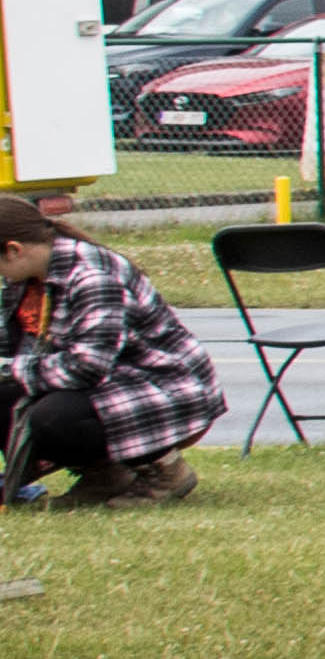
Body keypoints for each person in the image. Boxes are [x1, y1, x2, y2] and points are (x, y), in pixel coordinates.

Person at [0, 195, 227, 509]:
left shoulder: (92, 276)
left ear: (14, 250)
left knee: (52, 418)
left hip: (162, 386)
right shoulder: (25, 277)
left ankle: (165, 471)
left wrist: (11, 369)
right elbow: (11, 346)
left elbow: (87, 367)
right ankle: (104, 476)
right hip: (106, 385)